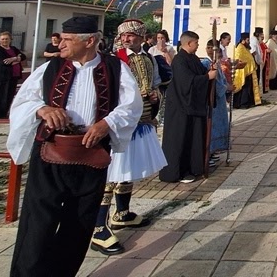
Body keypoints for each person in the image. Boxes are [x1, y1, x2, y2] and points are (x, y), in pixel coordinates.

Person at [7, 16, 140, 277]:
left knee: (79, 224)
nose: (61, 44)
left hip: (90, 157)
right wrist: (42, 109)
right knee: (38, 223)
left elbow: (131, 105)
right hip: (50, 156)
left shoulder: (114, 68)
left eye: (68, 39)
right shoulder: (50, 68)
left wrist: (107, 123)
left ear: (89, 41)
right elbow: (22, 102)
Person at [91, 19, 168, 255]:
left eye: (132, 36)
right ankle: (97, 227)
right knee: (111, 174)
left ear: (141, 38)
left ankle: (122, 212)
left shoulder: (149, 58)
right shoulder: (113, 61)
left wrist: (154, 96)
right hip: (119, 121)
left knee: (128, 170)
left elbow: (156, 84)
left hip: (141, 119)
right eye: (124, 36)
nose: (127, 39)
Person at [160, 31, 216, 183]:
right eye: (196, 43)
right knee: (181, 138)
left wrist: (209, 71)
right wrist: (207, 78)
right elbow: (187, 82)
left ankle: (194, 167)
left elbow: (200, 73)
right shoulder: (180, 60)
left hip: (192, 105)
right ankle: (179, 171)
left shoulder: (192, 58)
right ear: (189, 43)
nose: (198, 46)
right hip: (181, 106)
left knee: (194, 136)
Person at [202, 40, 230, 167]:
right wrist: (226, 88)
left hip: (220, 100)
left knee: (219, 123)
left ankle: (214, 152)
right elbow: (213, 83)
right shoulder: (206, 63)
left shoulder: (215, 63)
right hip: (213, 100)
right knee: (212, 125)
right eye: (209, 48)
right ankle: (209, 151)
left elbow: (221, 79)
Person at [0, 31, 27, 119]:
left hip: (13, 77)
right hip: (2, 77)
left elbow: (23, 56)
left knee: (9, 96)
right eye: (3, 39)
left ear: (10, 40)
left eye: (6, 39)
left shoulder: (13, 48)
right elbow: (3, 62)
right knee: (1, 97)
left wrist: (14, 58)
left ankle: (5, 114)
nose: (5, 41)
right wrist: (16, 59)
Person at [231, 33, 258, 109]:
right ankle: (242, 104)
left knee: (247, 88)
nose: (249, 41)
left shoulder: (245, 47)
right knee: (243, 88)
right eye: (247, 40)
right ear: (243, 40)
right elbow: (238, 58)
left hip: (248, 71)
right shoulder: (240, 47)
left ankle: (246, 102)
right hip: (242, 71)